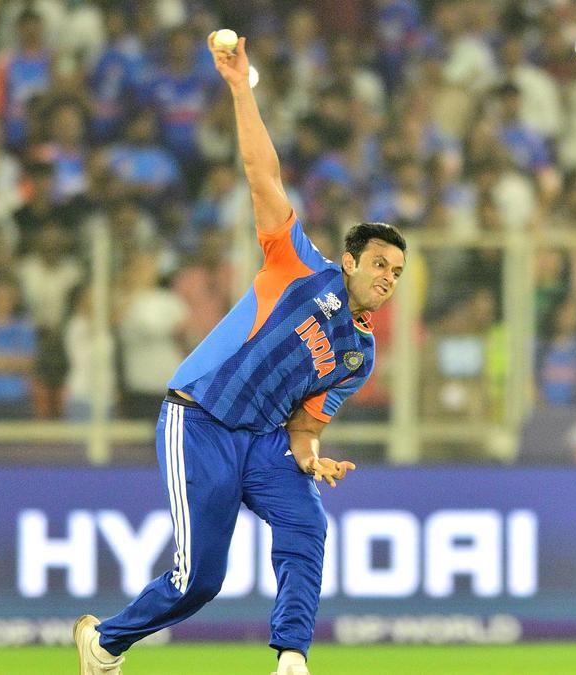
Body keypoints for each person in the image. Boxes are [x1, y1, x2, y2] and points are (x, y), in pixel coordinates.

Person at [74, 32, 407, 675]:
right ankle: (107, 643)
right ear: (348, 261)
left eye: (396, 271)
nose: (388, 277)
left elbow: (307, 422)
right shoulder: (299, 267)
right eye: (378, 264)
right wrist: (238, 88)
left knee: (307, 525)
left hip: (264, 440)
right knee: (201, 579)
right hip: (199, 418)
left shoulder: (359, 354)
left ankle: (291, 658)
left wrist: (310, 457)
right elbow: (263, 174)